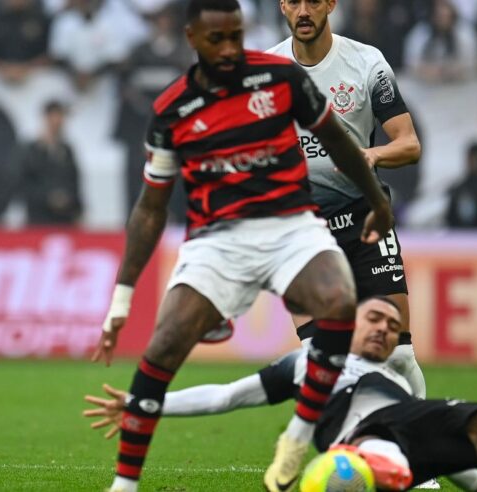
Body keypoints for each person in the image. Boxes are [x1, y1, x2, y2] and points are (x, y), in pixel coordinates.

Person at [91, 1, 394, 491]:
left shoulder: (281, 79)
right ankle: (124, 486)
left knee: (338, 302)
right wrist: (122, 297)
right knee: (163, 348)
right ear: (192, 37)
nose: (230, 48)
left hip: (291, 227)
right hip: (218, 242)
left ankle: (297, 435)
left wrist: (378, 200)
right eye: (217, 39)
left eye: (236, 35)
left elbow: (338, 142)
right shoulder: (172, 110)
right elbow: (150, 208)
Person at [85, 297, 477, 491]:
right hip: (361, 446)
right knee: (350, 473)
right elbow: (226, 397)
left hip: (408, 441)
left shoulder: (398, 374)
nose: (385, 330)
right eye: (375, 318)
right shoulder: (304, 363)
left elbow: (430, 436)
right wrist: (143, 405)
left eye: (393, 325)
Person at [266, 0, 426, 409]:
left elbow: (408, 144)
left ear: (331, 4)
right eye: (293, 1)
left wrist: (368, 157)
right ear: (282, 6)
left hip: (366, 222)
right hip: (303, 234)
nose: (304, 11)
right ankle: (356, 444)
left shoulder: (367, 63)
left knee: (399, 355)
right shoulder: (265, 72)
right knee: (323, 358)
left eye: (314, 1)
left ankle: (418, 460)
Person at [16, 100, 83, 225]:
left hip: (64, 218)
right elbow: (24, 184)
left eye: (60, 117)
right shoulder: (32, 150)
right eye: (53, 117)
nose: (57, 122)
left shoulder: (67, 151)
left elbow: (74, 182)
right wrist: (49, 198)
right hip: (39, 219)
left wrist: (75, 206)